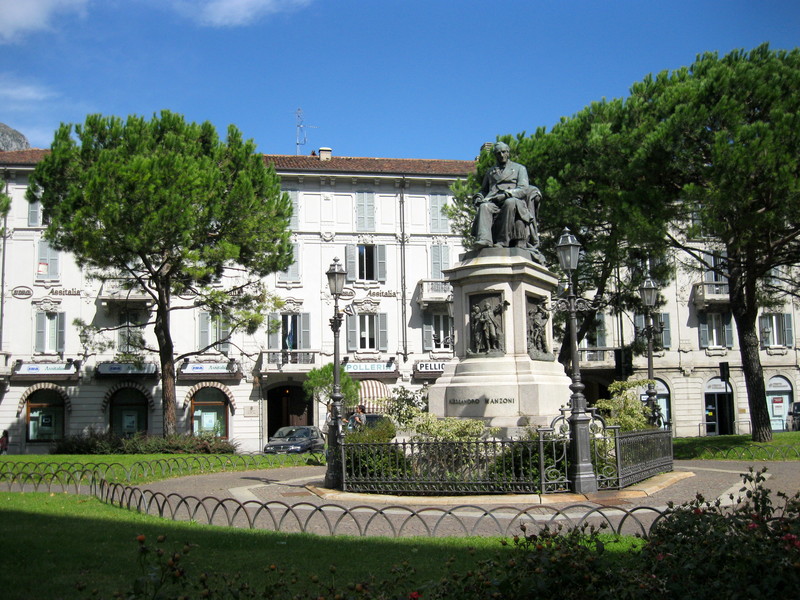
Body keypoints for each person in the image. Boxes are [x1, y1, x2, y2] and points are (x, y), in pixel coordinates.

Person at [471, 142, 542, 255]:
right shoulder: (491, 171)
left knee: (510, 203)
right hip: (493, 200)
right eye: (498, 153)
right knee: (484, 206)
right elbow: (484, 190)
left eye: (504, 152)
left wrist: (506, 194)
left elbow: (523, 189)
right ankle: (485, 240)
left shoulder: (519, 169)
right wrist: (479, 197)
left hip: (514, 199)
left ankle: (502, 241)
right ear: (495, 155)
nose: (501, 155)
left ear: (508, 153)